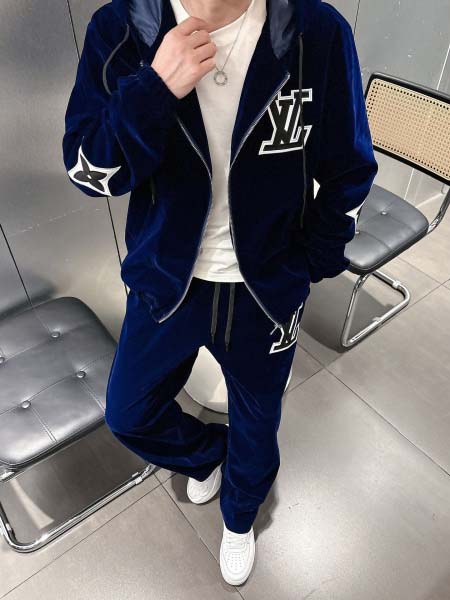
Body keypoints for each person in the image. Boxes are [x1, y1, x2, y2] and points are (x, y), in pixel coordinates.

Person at [62, 0, 378, 586]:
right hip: (167, 281)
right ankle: (210, 456)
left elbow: (349, 168)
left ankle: (240, 515)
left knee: (258, 422)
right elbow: (88, 171)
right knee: (129, 413)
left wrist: (311, 262)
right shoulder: (124, 29)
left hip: (266, 290)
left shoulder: (314, 30)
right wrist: (154, 89)